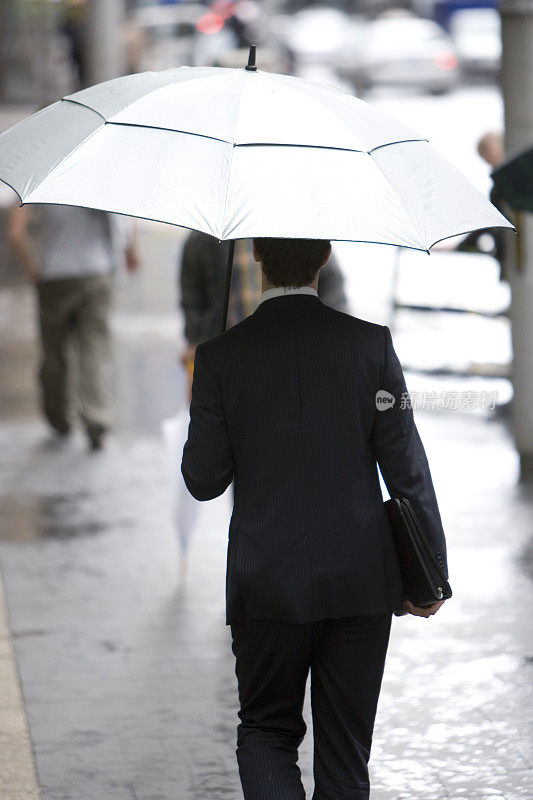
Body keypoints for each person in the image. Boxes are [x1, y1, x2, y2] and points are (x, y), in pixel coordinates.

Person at [181, 237, 448, 799]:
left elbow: (203, 480)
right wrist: (432, 573)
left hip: (266, 583)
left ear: (255, 256)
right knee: (346, 754)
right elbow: (408, 469)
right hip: (360, 581)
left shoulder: (222, 356)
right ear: (325, 256)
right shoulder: (373, 347)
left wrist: (207, 399)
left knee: (266, 732)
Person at [8, 203, 139, 450]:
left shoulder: (41, 175)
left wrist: (32, 269)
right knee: (94, 350)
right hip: (96, 273)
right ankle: (96, 418)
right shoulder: (100, 173)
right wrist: (131, 249)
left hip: (54, 275)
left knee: (54, 352)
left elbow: (16, 234)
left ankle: (58, 416)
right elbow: (124, 219)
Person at [179, 232, 349, 399]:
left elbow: (332, 286)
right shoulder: (206, 237)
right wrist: (195, 344)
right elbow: (192, 297)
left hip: (284, 351)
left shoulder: (290, 230)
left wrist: (334, 339)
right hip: (230, 353)